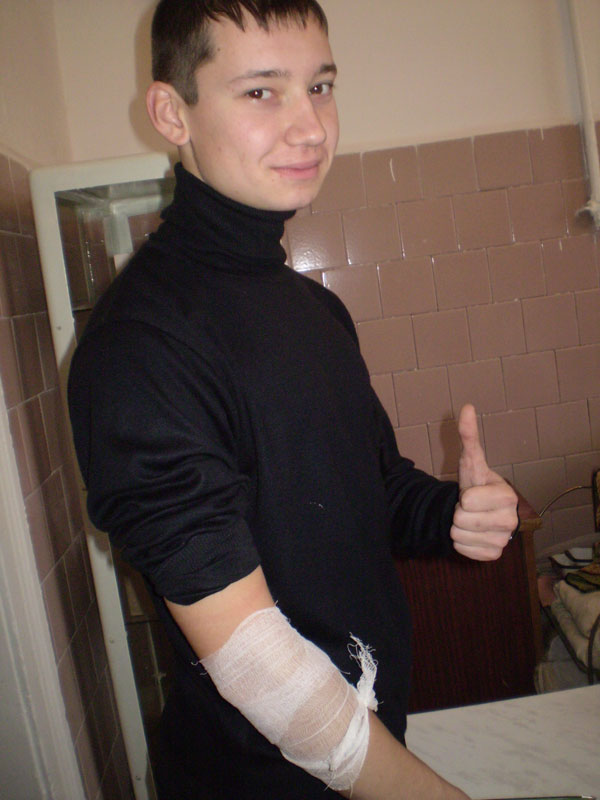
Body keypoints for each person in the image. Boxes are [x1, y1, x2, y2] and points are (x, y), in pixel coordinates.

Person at [67, 2, 518, 798]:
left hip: (368, 747)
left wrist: (453, 513)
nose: (311, 127)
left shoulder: (313, 309)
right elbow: (255, 662)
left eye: (321, 86)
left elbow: (374, 486)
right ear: (172, 113)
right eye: (261, 92)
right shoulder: (141, 346)